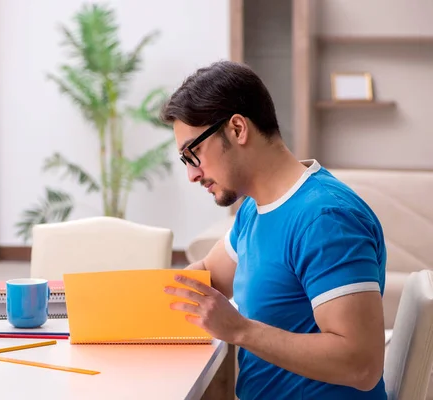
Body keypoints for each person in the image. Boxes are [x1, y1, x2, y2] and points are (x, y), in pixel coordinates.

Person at [160, 60, 387, 399]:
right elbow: (207, 275)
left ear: (237, 129)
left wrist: (240, 330)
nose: (192, 175)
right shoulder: (255, 208)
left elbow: (362, 366)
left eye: (194, 154)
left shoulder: (325, 218)